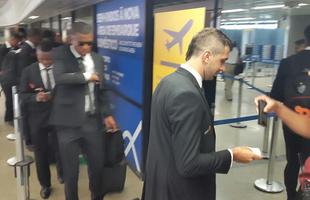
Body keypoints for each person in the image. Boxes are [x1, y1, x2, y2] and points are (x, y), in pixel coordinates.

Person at [143, 28, 261, 200]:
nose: (222, 68)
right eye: (222, 61)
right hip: (179, 191)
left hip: (160, 184)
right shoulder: (186, 94)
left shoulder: (168, 82)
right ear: (206, 56)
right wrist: (232, 154)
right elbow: (188, 164)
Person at [50, 22, 117, 200]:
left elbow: (102, 90)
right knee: (71, 173)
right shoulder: (60, 55)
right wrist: (88, 76)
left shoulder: (97, 59)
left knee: (97, 167)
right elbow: (60, 77)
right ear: (71, 40)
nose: (86, 47)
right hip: (67, 124)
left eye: (90, 43)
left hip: (92, 122)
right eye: (81, 43)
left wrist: (107, 113)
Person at [270, 24, 310, 200]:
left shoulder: (288, 63)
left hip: (292, 121)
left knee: (293, 161)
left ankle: (291, 196)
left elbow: (276, 95)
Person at [19, 41, 63, 199]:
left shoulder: (61, 69)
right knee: (41, 154)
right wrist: (36, 97)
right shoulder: (28, 72)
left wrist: (55, 96)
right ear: (37, 56)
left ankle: (62, 173)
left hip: (59, 116)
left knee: (62, 148)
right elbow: (22, 95)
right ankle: (45, 184)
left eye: (49, 59)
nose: (46, 62)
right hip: (37, 119)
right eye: (42, 59)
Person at [0, 32, 22, 125]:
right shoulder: (3, 48)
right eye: (17, 41)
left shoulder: (15, 48)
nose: (18, 43)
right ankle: (8, 118)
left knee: (12, 98)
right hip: (5, 78)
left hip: (12, 76)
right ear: (12, 39)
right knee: (9, 98)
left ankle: (11, 117)